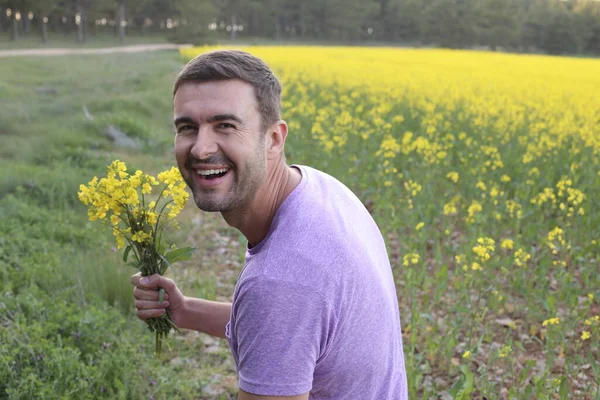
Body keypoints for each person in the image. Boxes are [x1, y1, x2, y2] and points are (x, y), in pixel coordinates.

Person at [130, 50, 408, 400]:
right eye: (187, 127)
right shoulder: (321, 189)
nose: (200, 149)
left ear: (274, 139)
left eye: (225, 126)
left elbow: (282, 303)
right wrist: (186, 311)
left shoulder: (281, 281)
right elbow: (291, 329)